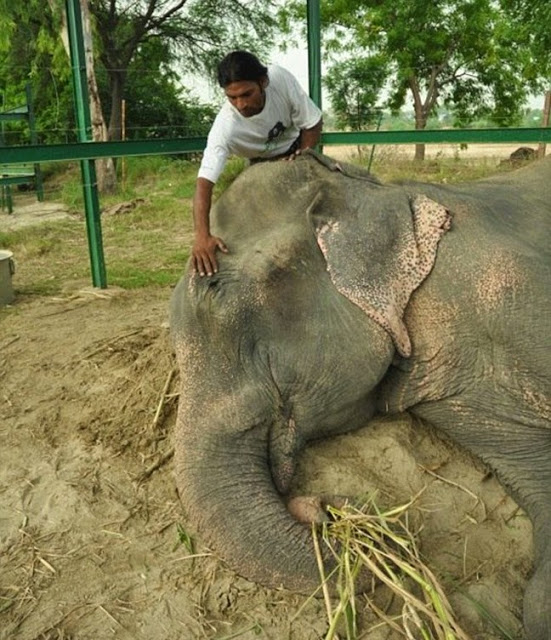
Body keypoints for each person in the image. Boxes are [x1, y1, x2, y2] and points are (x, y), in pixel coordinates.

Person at [191, 50, 323, 277]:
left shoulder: (280, 79)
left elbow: (312, 122)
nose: (240, 105)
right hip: (258, 165)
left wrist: (303, 156)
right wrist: (202, 236)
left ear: (263, 82)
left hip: (296, 151)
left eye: (246, 94)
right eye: (232, 98)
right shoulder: (225, 127)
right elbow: (204, 183)